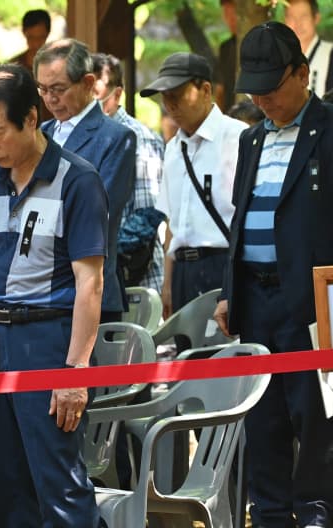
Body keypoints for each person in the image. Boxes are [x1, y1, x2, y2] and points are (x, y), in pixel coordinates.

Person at [0, 63, 106, 527]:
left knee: (57, 482)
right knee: (5, 482)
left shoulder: (76, 180)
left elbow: (91, 283)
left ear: (31, 117)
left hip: (47, 341)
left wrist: (75, 371)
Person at [215, 21, 333, 528]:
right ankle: (268, 513)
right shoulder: (251, 140)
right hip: (255, 300)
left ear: (301, 74)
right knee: (261, 415)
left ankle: (314, 511)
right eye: (253, 91)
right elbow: (241, 220)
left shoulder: (328, 131)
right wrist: (228, 292)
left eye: (270, 88)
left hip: (310, 302)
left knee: (315, 414)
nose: (261, 100)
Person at [140, 53, 247, 323]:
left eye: (177, 93)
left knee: (227, 358)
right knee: (187, 359)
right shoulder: (173, 148)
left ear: (205, 90)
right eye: (165, 96)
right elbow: (171, 223)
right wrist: (167, 284)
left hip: (223, 264)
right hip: (182, 272)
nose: (170, 104)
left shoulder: (237, 137)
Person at [36, 39, 136, 323]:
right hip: (39, 290)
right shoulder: (41, 134)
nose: (50, 99)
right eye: (43, 89)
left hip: (89, 290)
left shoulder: (115, 137)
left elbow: (97, 212)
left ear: (88, 82)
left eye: (58, 89)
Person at [93, 52, 165, 293]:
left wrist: (101, 256)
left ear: (117, 94)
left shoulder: (138, 137)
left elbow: (148, 215)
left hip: (133, 281)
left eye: (96, 97)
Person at [10, 9, 53, 121]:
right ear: (24, 33)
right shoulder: (13, 67)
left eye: (41, 38)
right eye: (31, 38)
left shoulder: (57, 66)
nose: (36, 44)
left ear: (48, 34)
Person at [284, 0, 333, 97]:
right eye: (292, 17)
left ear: (316, 18)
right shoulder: (275, 57)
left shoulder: (330, 53)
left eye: (304, 17)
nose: (298, 24)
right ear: (285, 21)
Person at [216, 0, 238, 112]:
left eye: (233, 11)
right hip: (230, 112)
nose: (230, 18)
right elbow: (220, 89)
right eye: (226, 12)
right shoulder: (225, 48)